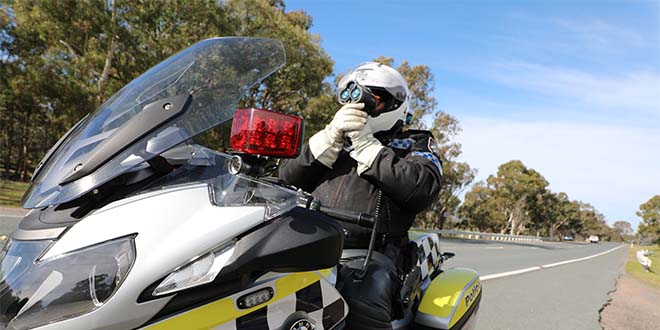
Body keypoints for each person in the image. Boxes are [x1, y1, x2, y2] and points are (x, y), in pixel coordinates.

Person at [279, 62, 442, 329]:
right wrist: (327, 139)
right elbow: (285, 180)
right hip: (310, 242)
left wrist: (367, 146)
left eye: (373, 98)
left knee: (359, 300)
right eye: (353, 95)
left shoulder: (415, 142)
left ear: (394, 103)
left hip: (373, 251)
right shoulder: (335, 140)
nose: (360, 105)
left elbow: (421, 188)